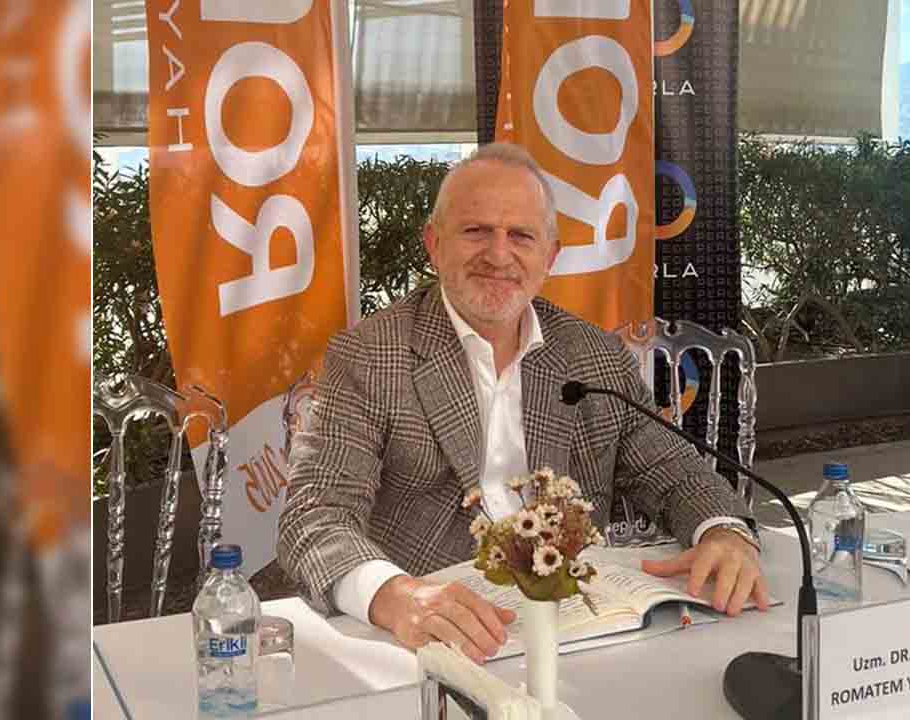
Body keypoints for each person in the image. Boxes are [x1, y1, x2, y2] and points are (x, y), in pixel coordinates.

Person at [278, 142, 767, 665]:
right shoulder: (370, 356)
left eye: (521, 236)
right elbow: (315, 515)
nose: (498, 254)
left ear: (549, 257)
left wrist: (724, 530)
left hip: (577, 635)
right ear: (434, 244)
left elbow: (676, 474)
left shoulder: (595, 356)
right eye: (476, 231)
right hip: (434, 644)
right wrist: (394, 596)